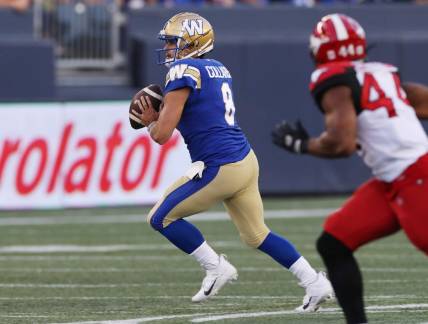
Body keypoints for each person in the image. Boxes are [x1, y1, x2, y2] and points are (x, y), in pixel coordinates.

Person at [134, 12, 333, 311]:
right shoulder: (217, 67)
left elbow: (162, 134)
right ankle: (314, 282)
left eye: (173, 42)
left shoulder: (183, 71)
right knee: (257, 235)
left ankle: (215, 267)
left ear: (192, 43)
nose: (168, 49)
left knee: (160, 217)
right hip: (245, 160)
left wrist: (149, 120)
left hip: (220, 167)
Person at [271, 13, 428, 324]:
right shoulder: (382, 73)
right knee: (334, 241)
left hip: (415, 177)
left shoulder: (333, 79)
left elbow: (341, 143)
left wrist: (303, 145)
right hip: (392, 180)